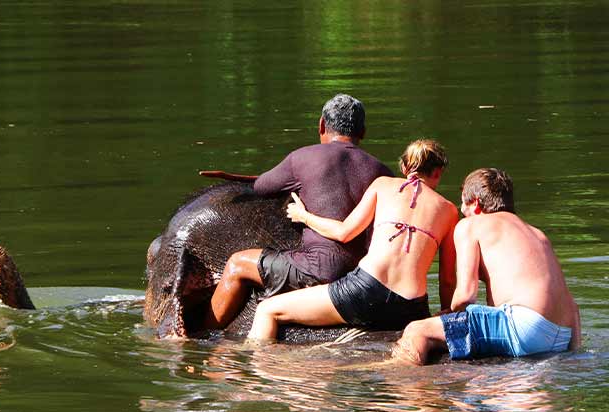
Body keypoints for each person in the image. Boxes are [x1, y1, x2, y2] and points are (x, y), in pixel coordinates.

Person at [204, 94, 392, 329]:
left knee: (237, 264)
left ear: (322, 125)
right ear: (362, 132)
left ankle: (203, 339)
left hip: (319, 269)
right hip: (363, 275)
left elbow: (262, 187)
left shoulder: (303, 157)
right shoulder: (383, 172)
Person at [246, 139, 458, 343]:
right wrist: (446, 310)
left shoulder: (383, 185)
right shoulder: (449, 210)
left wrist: (303, 216)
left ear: (404, 167)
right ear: (438, 172)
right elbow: (447, 279)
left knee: (268, 310)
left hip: (365, 292)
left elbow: (344, 232)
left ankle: (257, 374)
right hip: (411, 306)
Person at [392, 168, 581, 365]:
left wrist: (450, 313)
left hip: (525, 328)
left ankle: (400, 382)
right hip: (563, 334)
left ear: (475, 203)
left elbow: (466, 295)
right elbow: (573, 307)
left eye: (463, 207)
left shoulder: (472, 225)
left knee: (416, 330)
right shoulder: (538, 234)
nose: (462, 214)